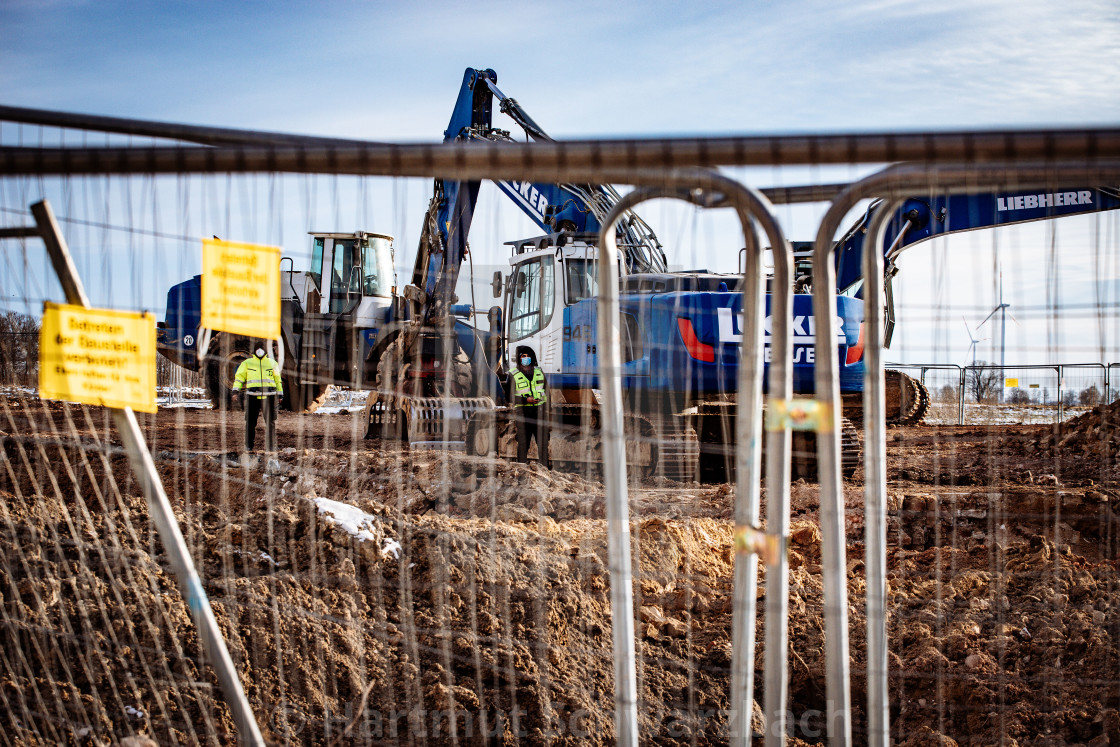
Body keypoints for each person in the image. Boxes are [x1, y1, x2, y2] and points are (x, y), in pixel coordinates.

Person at [232, 345, 283, 452]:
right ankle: (248, 446)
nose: (260, 351)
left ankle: (271, 447)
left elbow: (278, 380)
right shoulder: (246, 363)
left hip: (269, 397)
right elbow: (239, 378)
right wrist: (235, 391)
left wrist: (280, 394)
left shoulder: (272, 363)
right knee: (250, 422)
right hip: (252, 397)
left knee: (270, 423)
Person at [508, 346, 550, 467]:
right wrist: (526, 399)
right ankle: (521, 470)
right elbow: (509, 397)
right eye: (523, 356)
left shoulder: (539, 372)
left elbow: (547, 394)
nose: (526, 358)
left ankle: (545, 471)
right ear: (519, 359)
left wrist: (548, 413)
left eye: (528, 356)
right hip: (523, 414)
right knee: (523, 444)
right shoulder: (513, 375)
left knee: (542, 444)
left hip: (539, 413)